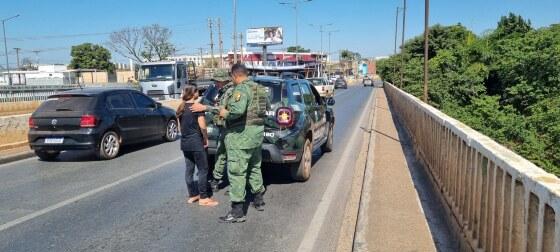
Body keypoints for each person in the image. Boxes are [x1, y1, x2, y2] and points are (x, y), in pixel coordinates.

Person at [218, 63, 267, 223]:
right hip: (256, 135)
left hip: (241, 137)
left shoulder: (240, 89)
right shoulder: (259, 88)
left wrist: (225, 113)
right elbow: (266, 107)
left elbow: (237, 111)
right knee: (254, 167)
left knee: (237, 172)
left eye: (231, 77)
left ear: (235, 75)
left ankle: (237, 211)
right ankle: (258, 200)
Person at [176, 85, 219, 207]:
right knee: (203, 169)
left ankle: (192, 195)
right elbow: (203, 126)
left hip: (185, 144)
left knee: (189, 170)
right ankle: (203, 197)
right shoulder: (196, 108)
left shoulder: (180, 108)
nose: (198, 93)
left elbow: (180, 128)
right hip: (196, 143)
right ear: (193, 93)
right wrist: (205, 139)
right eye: (197, 91)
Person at [191, 69, 233, 192]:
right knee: (220, 154)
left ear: (223, 80)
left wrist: (206, 107)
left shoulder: (231, 91)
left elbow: (224, 110)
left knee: (232, 157)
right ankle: (216, 179)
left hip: (232, 129)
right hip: (223, 127)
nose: (215, 84)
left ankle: (234, 184)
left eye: (217, 81)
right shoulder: (222, 91)